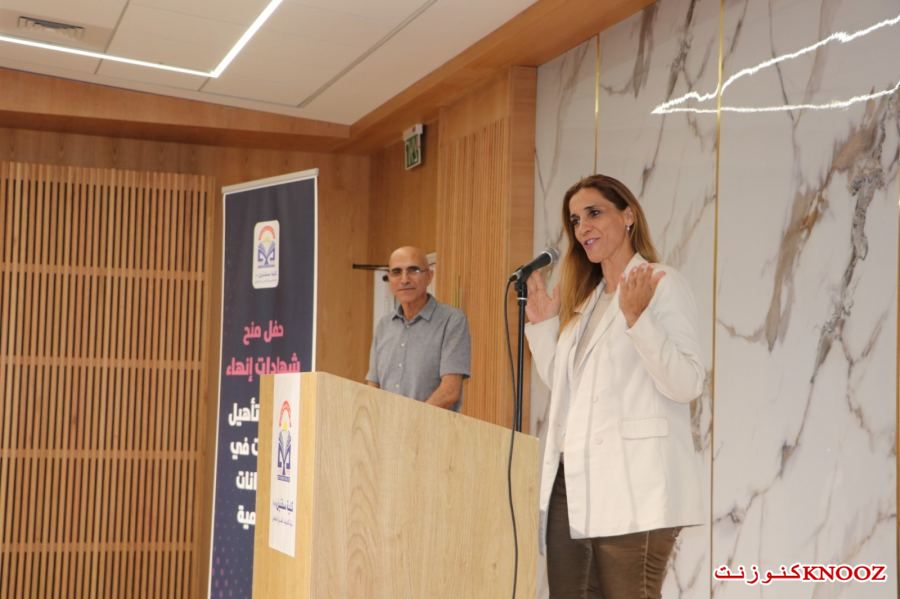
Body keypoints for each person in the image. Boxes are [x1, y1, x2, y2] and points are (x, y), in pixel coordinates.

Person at [525, 175, 704, 598]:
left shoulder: (661, 283)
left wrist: (639, 319)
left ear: (628, 216)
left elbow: (687, 382)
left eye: (594, 213)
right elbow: (569, 389)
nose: (582, 227)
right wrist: (544, 327)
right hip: (572, 482)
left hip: (635, 483)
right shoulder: (587, 301)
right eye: (575, 220)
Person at [366, 246, 471, 411]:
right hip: (386, 425)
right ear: (389, 279)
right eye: (396, 272)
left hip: (431, 427)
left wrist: (410, 420)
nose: (404, 279)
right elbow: (373, 386)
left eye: (413, 270)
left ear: (429, 276)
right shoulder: (384, 326)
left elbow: (450, 391)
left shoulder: (452, 321)